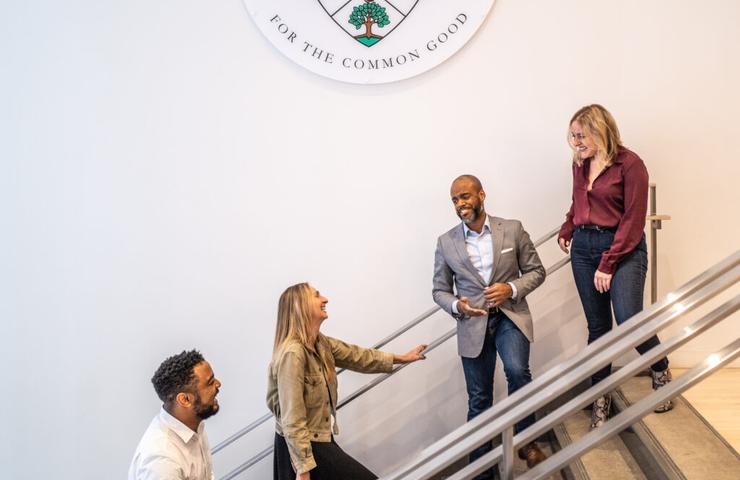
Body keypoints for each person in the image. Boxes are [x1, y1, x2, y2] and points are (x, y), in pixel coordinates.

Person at [558, 104, 673, 428]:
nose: (576, 142)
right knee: (598, 327)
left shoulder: (630, 164)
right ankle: (600, 397)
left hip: (623, 249)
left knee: (629, 319)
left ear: (601, 130)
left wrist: (608, 263)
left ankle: (660, 366)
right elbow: (578, 202)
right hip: (584, 249)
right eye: (573, 136)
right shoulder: (579, 164)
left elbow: (633, 219)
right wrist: (568, 227)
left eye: (582, 135)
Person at [432, 175, 547, 478]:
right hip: (473, 325)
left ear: (481, 195)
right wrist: (458, 306)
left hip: (510, 317)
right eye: (455, 200)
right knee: (479, 398)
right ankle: (482, 471)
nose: (461, 204)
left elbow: (537, 271)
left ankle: (527, 441)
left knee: (517, 370)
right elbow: (439, 290)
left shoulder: (512, 228)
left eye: (466, 196)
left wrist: (510, 288)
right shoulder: (446, 242)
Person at [267, 282, 427, 480]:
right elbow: (292, 417)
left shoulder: (319, 342)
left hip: (317, 442)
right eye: (317, 296)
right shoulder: (293, 354)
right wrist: (303, 469)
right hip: (304, 447)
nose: (325, 299)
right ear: (301, 306)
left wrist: (400, 358)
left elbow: (356, 356)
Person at [129, 349, 221, 480]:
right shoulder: (161, 463)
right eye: (210, 382)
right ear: (185, 400)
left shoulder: (194, 425)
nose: (218, 384)